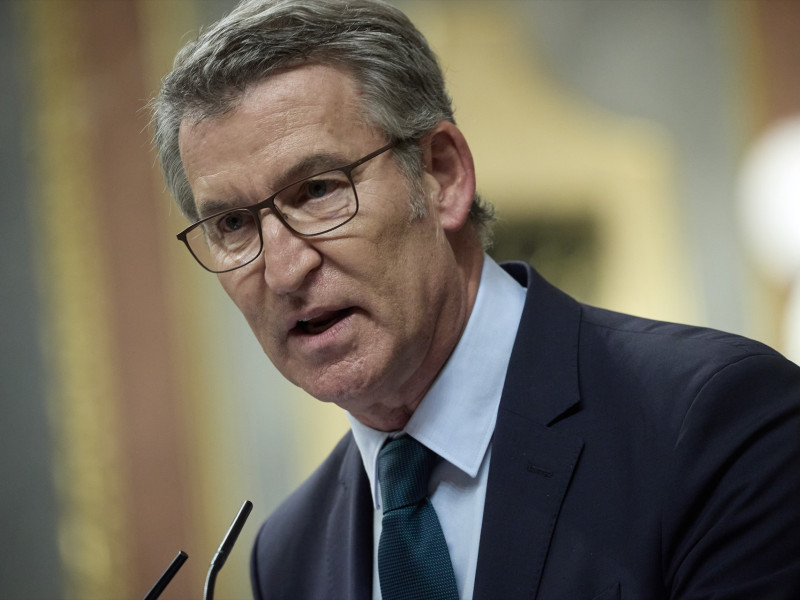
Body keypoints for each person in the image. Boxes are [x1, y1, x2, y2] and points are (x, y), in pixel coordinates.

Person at [151, 0, 800, 598]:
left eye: (319, 190)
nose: (285, 270)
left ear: (442, 175)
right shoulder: (289, 552)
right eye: (232, 225)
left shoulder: (713, 418)